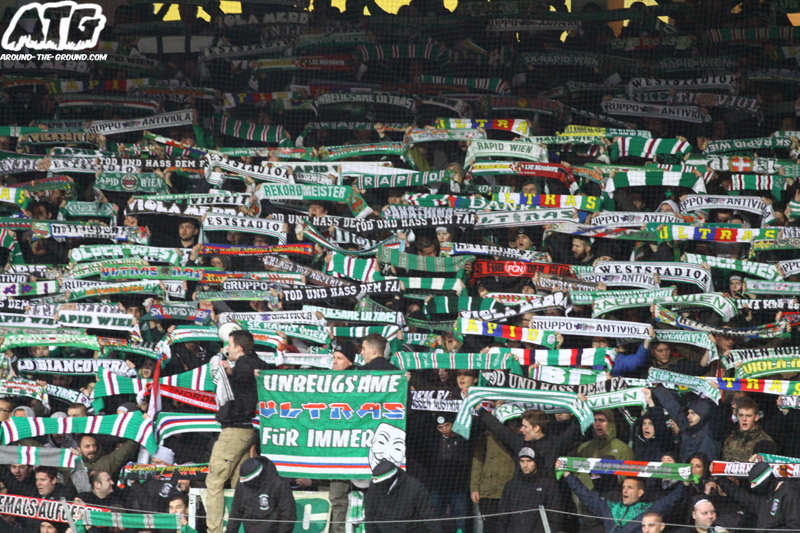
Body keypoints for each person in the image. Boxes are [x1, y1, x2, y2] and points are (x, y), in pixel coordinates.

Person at [207, 330, 269, 533]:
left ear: (239, 348)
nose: (227, 349)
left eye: (229, 345)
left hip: (234, 432)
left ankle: (214, 531)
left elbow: (244, 371)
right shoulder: (257, 363)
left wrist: (231, 372)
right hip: (246, 432)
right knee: (239, 484)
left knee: (214, 481)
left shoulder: (244, 365)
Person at [558, 460, 688, 533]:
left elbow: (672, 499)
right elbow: (586, 496)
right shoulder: (609, 507)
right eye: (624, 487)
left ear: (640, 493)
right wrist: (567, 475)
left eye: (630, 488)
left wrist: (685, 483)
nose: (624, 490)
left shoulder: (649, 509)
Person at [714, 461, 800, 532]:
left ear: (765, 480)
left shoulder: (789, 494)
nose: (752, 486)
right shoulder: (763, 499)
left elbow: (794, 527)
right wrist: (719, 476)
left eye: (754, 483)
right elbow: (741, 496)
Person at [496, 448, 563, 533]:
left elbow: (555, 517)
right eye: (522, 461)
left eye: (529, 461)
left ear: (536, 462)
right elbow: (502, 517)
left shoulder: (548, 484)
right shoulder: (511, 485)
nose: (525, 465)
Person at [365, 460, 441, 533]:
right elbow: (369, 515)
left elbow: (429, 515)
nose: (377, 487)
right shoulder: (374, 487)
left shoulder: (415, 488)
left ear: (390, 480)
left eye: (380, 484)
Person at [225, 456, 296, 533]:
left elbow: (288, 514)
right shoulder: (242, 483)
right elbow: (236, 511)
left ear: (257, 477)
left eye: (248, 480)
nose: (244, 482)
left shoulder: (278, 484)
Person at [652, 386, 722, 462]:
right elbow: (673, 408)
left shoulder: (712, 430)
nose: (688, 416)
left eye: (693, 413)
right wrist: (658, 388)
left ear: (703, 413)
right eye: (688, 413)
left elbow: (720, 413)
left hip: (707, 470)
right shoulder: (686, 427)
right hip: (686, 469)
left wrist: (716, 392)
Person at [576, 410, 635, 491]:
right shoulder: (584, 448)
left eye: (601, 420)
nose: (597, 424)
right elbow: (576, 476)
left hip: (611, 497)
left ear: (610, 423)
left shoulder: (623, 449)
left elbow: (628, 480)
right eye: (594, 420)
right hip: (584, 497)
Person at [720, 396, 774, 462]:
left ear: (756, 417)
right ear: (737, 416)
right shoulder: (730, 440)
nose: (744, 419)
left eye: (748, 416)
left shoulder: (765, 441)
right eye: (741, 415)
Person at [71, 434, 139, 482]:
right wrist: (74, 459)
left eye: (94, 445)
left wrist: (138, 430)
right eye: (87, 446)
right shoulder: (73, 462)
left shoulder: (107, 461)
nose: (92, 449)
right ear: (79, 449)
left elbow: (126, 451)